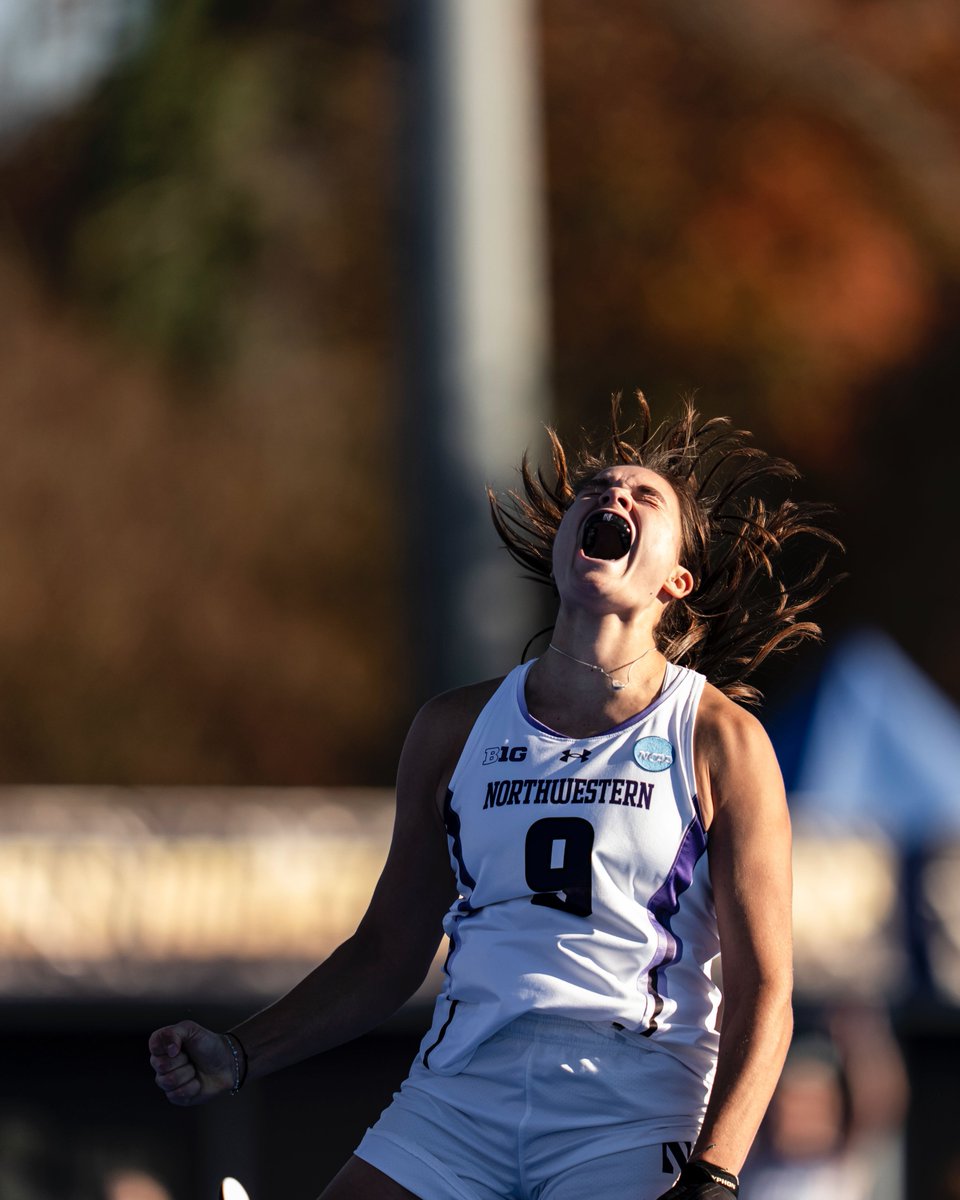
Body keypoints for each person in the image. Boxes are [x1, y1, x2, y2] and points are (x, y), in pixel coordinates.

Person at [149, 394, 839, 1200]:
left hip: (629, 1103)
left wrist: (714, 1173)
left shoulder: (720, 740)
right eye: (597, 490)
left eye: (643, 497)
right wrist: (238, 1053)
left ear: (676, 581)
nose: (613, 497)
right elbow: (386, 953)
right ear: (562, 545)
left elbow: (766, 990)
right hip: (459, 1096)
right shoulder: (452, 728)